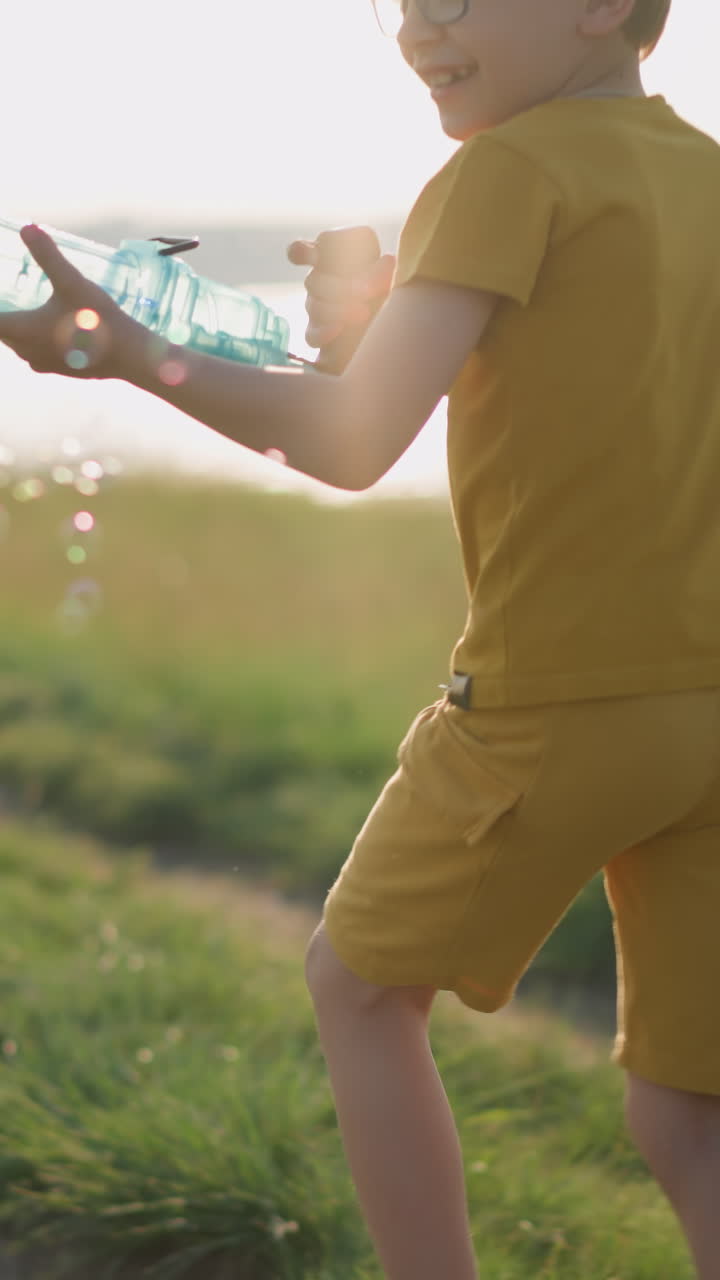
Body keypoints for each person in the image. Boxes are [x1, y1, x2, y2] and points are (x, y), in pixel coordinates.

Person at [1, 0, 720, 1274]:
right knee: (688, 1110)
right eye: (403, 0)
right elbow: (607, 388)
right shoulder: (701, 174)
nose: (420, 27)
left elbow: (350, 443)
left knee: (361, 987)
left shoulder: (503, 172)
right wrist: (367, 336)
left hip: (552, 700)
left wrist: (132, 353)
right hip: (704, 710)